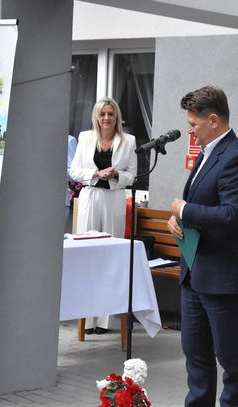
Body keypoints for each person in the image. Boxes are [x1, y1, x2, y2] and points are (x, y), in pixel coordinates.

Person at [168, 86, 238, 406]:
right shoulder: (207, 152)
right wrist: (177, 220)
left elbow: (234, 215)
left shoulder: (237, 158)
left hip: (224, 278)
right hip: (195, 274)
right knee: (196, 357)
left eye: (193, 124)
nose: (190, 131)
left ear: (214, 120)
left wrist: (185, 210)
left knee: (231, 361)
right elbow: (202, 205)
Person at [69, 97, 137, 334]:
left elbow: (132, 175)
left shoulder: (129, 141)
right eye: (102, 114)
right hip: (91, 197)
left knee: (109, 256)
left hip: (114, 199)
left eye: (110, 113)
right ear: (96, 117)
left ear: (116, 116)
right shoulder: (85, 138)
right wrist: (97, 173)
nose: (106, 118)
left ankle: (104, 321)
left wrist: (116, 175)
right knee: (86, 255)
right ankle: (86, 320)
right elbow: (74, 170)